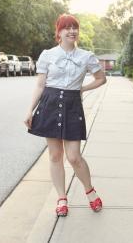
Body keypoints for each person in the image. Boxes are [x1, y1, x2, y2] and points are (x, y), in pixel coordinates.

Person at [24, 14, 106, 217]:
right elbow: (41, 85)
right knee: (54, 155)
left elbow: (101, 78)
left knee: (74, 156)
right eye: (66, 28)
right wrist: (30, 110)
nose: (72, 31)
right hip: (50, 104)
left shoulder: (86, 56)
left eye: (74, 28)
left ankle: (90, 191)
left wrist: (83, 89)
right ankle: (61, 198)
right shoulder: (47, 55)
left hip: (72, 106)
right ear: (59, 32)